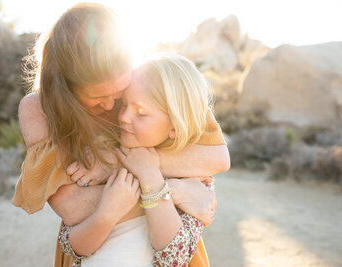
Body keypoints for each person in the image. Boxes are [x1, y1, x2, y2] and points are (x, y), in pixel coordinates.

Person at [12, 2, 230, 267]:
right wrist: (176, 191)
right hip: (96, 248)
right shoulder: (38, 109)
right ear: (65, 87)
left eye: (120, 92)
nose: (112, 106)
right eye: (97, 97)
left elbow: (217, 157)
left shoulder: (157, 84)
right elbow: (75, 208)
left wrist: (115, 164)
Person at [58, 54, 227, 266]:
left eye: (141, 112)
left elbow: (173, 256)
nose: (124, 117)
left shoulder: (195, 178)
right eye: (124, 105)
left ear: (174, 126)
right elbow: (70, 245)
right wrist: (108, 212)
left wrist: (151, 177)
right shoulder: (98, 160)